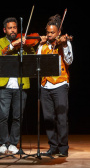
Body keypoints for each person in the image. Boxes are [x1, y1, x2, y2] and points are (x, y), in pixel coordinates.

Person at [0, 17, 35, 154]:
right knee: (3, 116)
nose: (13, 30)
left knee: (18, 116)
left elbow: (33, 59)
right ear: (5, 30)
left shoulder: (24, 43)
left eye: (15, 28)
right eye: (10, 28)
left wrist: (27, 46)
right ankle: (3, 143)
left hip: (21, 84)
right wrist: (13, 45)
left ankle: (13, 143)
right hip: (4, 85)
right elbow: (0, 55)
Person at [38, 14, 73, 157]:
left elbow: (69, 61)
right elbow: (37, 63)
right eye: (48, 32)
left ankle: (63, 147)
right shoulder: (43, 45)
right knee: (48, 118)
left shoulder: (65, 43)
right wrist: (40, 45)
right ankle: (53, 146)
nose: (49, 35)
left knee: (62, 118)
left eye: (52, 33)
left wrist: (64, 44)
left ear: (59, 32)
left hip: (60, 84)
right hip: (45, 85)